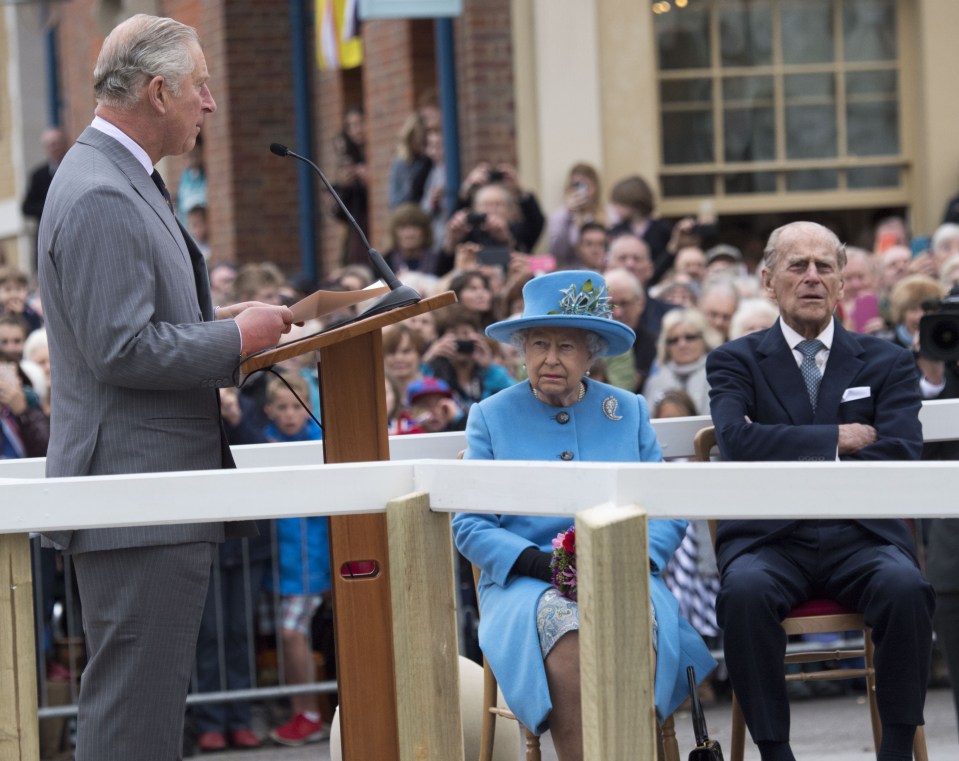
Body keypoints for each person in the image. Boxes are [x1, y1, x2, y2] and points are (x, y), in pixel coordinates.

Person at [36, 16, 295, 761]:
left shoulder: (118, 178)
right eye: (200, 87)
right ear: (157, 92)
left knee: (143, 713)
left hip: (149, 494)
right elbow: (120, 348)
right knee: (131, 720)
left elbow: (136, 325)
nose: (209, 103)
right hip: (134, 497)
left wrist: (229, 321)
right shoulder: (101, 193)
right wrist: (235, 341)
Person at [451, 270, 715, 761]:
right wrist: (538, 565)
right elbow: (469, 524)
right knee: (569, 631)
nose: (551, 359)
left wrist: (629, 561)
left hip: (625, 572)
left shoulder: (628, 410)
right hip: (524, 585)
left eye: (567, 347)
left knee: (632, 627)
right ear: (522, 350)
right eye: (540, 344)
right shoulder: (490, 416)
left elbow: (666, 509)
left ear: (591, 353)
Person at [705, 221, 934, 761]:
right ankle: (775, 752)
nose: (811, 277)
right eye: (796, 265)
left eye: (824, 266)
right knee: (743, 595)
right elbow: (737, 440)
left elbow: (902, 449)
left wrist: (781, 444)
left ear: (842, 284)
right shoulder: (735, 360)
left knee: (905, 588)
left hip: (862, 534)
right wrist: (837, 439)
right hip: (768, 539)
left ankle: (897, 749)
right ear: (767, 279)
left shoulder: (887, 362)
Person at [261, 375, 330, 746]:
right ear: (270, 410)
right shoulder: (263, 441)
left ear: (308, 406)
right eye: (282, 407)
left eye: (296, 406)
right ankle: (298, 710)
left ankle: (309, 714)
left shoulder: (317, 443)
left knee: (292, 634)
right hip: (276, 562)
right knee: (285, 637)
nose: (290, 414)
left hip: (308, 559)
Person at [644, 307, 720, 416]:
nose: (682, 344)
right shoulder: (655, 381)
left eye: (689, 337)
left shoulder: (718, 375)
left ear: (705, 338)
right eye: (674, 340)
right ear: (666, 346)